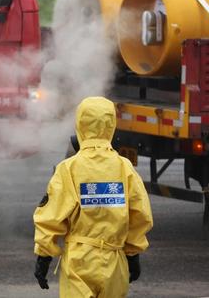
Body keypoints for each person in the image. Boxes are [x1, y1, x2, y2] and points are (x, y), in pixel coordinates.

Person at [33, 96, 153, 297]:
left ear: (80, 124)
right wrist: (133, 255)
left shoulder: (69, 168)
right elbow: (140, 215)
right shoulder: (125, 168)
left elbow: (50, 217)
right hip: (115, 261)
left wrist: (43, 258)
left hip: (80, 262)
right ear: (111, 124)